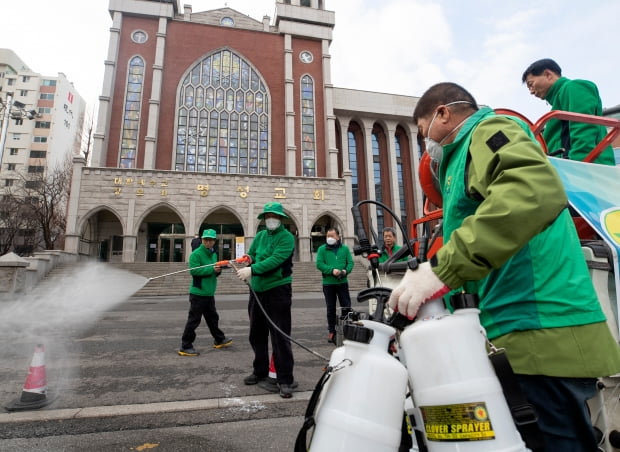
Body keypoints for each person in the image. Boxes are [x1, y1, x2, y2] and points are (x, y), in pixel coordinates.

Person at [389, 82, 620, 451]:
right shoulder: (460, 159)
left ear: (443, 113)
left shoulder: (490, 130)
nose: (425, 142)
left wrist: (441, 270)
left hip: (540, 329)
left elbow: (532, 190)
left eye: (422, 131)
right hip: (515, 335)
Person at [236, 202, 297, 398]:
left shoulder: (287, 238)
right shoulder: (261, 235)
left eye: (274, 216)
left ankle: (285, 378)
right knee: (256, 334)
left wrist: (252, 270)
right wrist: (248, 259)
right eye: (268, 216)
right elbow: (253, 254)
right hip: (257, 291)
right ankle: (260, 370)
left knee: (280, 336)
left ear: (280, 218)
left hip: (278, 290)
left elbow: (275, 260)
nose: (271, 219)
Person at [522, 58, 615, 165]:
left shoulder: (574, 87)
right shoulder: (558, 104)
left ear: (548, 74)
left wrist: (579, 165)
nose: (531, 91)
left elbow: (583, 128)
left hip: (584, 169)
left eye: (531, 84)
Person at [178, 229, 232, 356]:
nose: (208, 242)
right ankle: (185, 346)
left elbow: (213, 272)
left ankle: (219, 339)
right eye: (206, 240)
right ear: (202, 240)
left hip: (209, 293)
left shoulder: (213, 254)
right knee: (194, 320)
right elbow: (194, 271)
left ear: (214, 241)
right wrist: (212, 269)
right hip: (198, 293)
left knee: (213, 318)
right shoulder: (195, 254)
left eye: (211, 240)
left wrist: (218, 271)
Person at [315, 227, 354, 344]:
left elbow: (350, 263)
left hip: (342, 282)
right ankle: (332, 331)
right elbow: (319, 264)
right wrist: (332, 270)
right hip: (328, 284)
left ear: (338, 237)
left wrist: (345, 271)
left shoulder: (345, 249)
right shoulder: (322, 249)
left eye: (332, 236)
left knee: (346, 307)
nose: (329, 238)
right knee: (330, 308)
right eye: (328, 236)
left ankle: (347, 330)